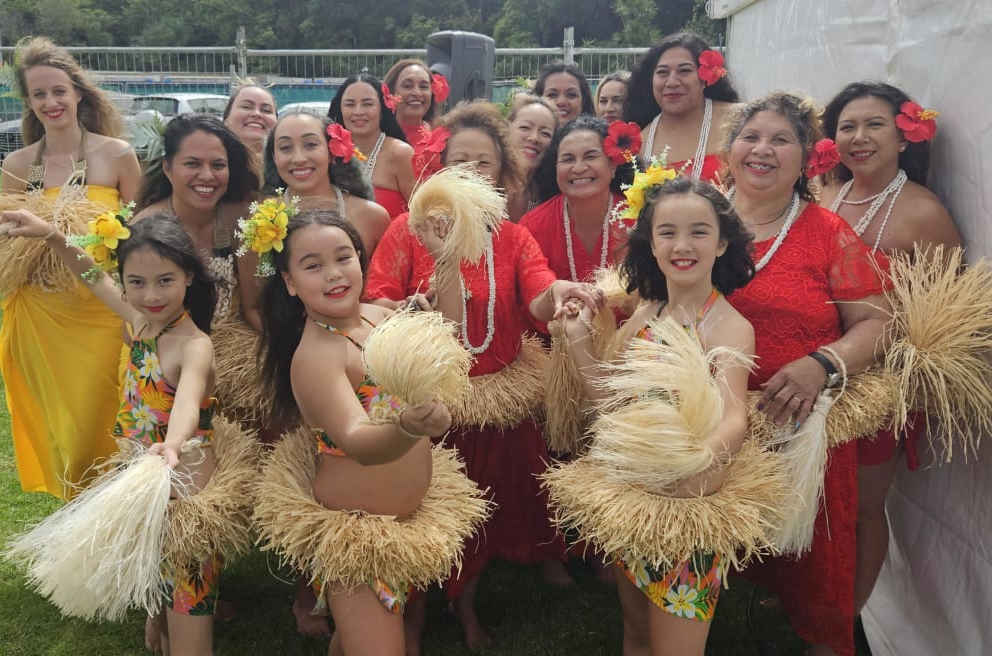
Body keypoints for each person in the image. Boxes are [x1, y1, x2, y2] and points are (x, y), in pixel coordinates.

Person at [365, 101, 601, 651]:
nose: (472, 172)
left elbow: (538, 298)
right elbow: (376, 301)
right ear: (439, 169)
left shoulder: (512, 237)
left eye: (485, 164)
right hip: (428, 405)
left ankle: (465, 605)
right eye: (460, 161)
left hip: (496, 399)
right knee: (420, 516)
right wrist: (408, 307)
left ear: (502, 175)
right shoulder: (407, 230)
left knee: (488, 513)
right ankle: (414, 608)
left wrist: (560, 292)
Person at [0, 210, 221, 656]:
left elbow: (187, 405)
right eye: (136, 282)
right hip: (140, 479)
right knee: (152, 568)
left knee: (187, 597)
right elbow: (92, 277)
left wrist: (171, 445)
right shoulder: (140, 323)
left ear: (189, 277)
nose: (150, 294)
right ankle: (156, 617)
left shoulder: (195, 345)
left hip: (184, 491)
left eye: (164, 280)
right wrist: (54, 236)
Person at [723, 90, 892, 656]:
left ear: (806, 159)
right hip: (711, 417)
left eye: (780, 140)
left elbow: (876, 323)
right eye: (750, 136)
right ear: (731, 149)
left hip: (798, 425)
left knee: (817, 558)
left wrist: (823, 364)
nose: (762, 149)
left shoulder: (825, 231)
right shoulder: (697, 216)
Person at [561, 175, 755, 656]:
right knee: (637, 631)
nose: (682, 245)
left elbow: (734, 418)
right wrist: (578, 341)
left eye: (699, 231)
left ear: (723, 241)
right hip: (637, 497)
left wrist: (689, 462)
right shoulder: (649, 315)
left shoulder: (728, 325)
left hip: (684, 503)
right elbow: (610, 404)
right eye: (667, 232)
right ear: (651, 241)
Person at [258, 209, 452, 656]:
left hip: (399, 525)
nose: (333, 274)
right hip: (358, 535)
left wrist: (444, 261)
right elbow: (358, 439)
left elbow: (448, 332)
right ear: (289, 282)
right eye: (312, 265)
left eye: (343, 257)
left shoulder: (375, 317)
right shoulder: (317, 357)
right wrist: (406, 426)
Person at [819, 81, 962, 615]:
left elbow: (946, 309)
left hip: (878, 386)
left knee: (861, 507)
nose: (858, 137)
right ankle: (816, 593)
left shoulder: (923, 212)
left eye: (873, 125)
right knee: (822, 500)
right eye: (847, 126)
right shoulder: (826, 193)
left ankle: (845, 619)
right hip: (819, 368)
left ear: (904, 137)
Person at [0, 36, 141, 500]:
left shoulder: (117, 153)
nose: (50, 101)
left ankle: (116, 512)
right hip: (42, 318)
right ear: (29, 103)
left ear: (78, 93)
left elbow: (143, 236)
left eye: (58, 90)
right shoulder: (18, 166)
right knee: (65, 431)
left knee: (102, 423)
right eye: (38, 94)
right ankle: (78, 522)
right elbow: (6, 245)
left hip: (103, 311)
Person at [135, 114, 262, 330]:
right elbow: (134, 319)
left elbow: (255, 307)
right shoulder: (143, 228)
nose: (207, 175)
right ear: (167, 168)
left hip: (234, 347)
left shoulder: (244, 220)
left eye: (218, 165)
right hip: (161, 349)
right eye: (192, 163)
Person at [522, 115, 635, 283]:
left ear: (612, 166)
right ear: (555, 169)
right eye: (568, 159)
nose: (579, 168)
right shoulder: (532, 227)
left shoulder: (640, 219)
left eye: (590, 156)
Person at [263, 110, 391, 257]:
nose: (298, 158)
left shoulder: (372, 217)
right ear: (274, 157)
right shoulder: (261, 219)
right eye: (285, 148)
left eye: (310, 145)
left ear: (331, 152)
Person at [624, 33, 740, 183]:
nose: (672, 82)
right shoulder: (640, 142)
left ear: (705, 78)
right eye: (662, 72)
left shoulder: (739, 121)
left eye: (684, 71)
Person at [328, 74, 416, 218]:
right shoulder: (329, 155)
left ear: (382, 110)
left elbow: (423, 214)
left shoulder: (400, 153)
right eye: (350, 104)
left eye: (367, 104)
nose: (358, 112)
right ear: (340, 110)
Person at [505, 93, 558, 222]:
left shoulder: (548, 196)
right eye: (525, 128)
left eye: (545, 133)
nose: (534, 138)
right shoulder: (486, 181)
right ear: (506, 129)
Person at [383, 59, 440, 149]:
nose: (417, 93)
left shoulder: (442, 137)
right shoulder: (378, 136)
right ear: (391, 92)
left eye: (423, 87)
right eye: (407, 86)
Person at [222, 83, 278, 155]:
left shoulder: (288, 163)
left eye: (266, 110)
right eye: (246, 107)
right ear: (226, 120)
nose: (257, 113)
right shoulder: (209, 160)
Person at [533, 60, 595, 125]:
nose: (561, 102)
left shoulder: (600, 134)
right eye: (552, 95)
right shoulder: (525, 134)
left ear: (583, 102)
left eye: (571, 95)